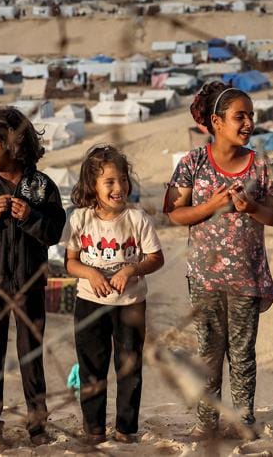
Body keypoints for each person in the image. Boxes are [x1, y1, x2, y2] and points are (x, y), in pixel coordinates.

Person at [164, 81, 273, 438]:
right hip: (204, 277)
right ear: (217, 122)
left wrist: (251, 208)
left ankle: (244, 421)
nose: (248, 123)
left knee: (243, 354)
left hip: (246, 277)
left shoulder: (260, 165)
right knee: (208, 354)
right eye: (240, 116)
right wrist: (211, 206)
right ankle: (207, 424)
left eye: (251, 116)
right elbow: (175, 213)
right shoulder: (193, 162)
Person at [0, 108, 66, 445]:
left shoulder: (41, 186)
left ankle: (37, 426)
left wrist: (31, 217)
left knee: (30, 355)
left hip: (29, 284)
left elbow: (54, 232)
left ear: (12, 145)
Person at [64, 145, 164, 444]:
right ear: (92, 186)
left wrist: (130, 270)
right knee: (91, 368)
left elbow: (155, 258)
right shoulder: (80, 220)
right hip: (89, 304)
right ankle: (94, 429)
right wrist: (92, 273)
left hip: (130, 305)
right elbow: (70, 262)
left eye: (122, 179)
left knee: (129, 368)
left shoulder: (138, 220)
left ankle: (126, 430)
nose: (118, 187)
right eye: (109, 182)